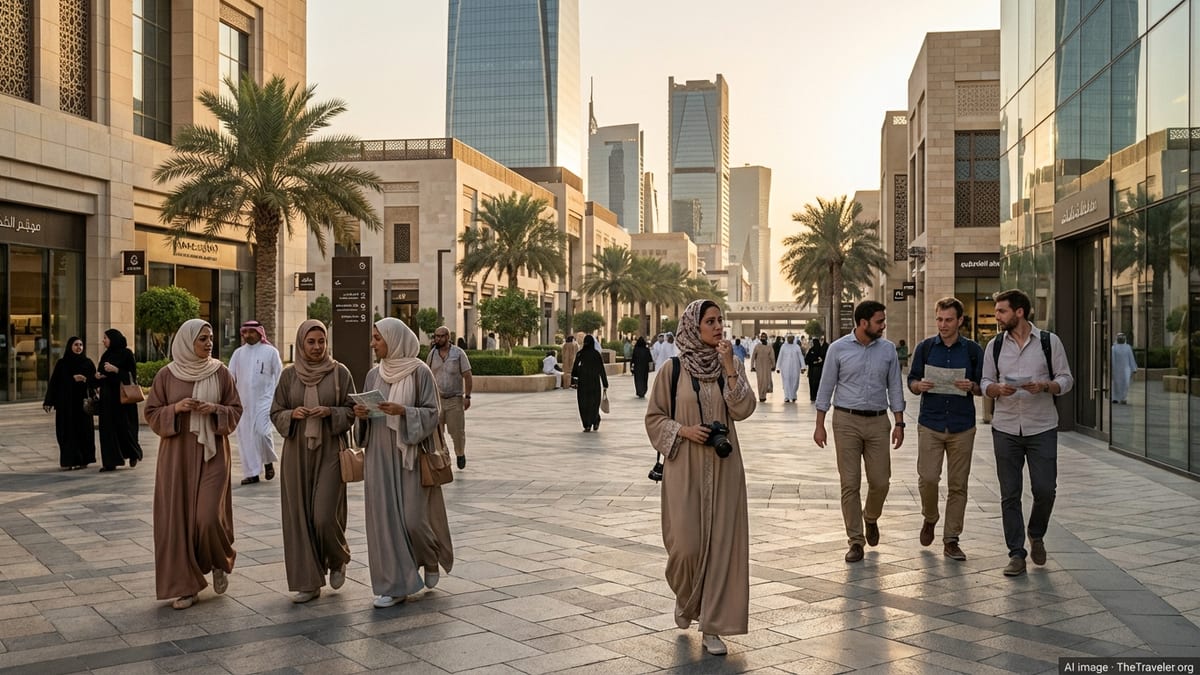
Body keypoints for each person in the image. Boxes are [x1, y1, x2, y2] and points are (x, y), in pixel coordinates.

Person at [645, 299, 756, 657]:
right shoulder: (672, 370)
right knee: (685, 547)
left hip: (724, 470)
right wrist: (682, 431)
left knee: (723, 548)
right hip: (684, 468)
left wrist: (729, 368)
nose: (718, 326)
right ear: (694, 326)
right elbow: (654, 417)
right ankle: (685, 598)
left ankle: (712, 625)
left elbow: (743, 409)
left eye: (720, 320)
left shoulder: (732, 364)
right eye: (711, 321)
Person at [145, 319, 243, 610]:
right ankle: (185, 587)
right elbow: (151, 413)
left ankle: (219, 561)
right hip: (176, 456)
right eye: (202, 339)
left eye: (210, 338)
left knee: (208, 517)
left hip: (213, 453)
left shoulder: (221, 372)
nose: (209, 343)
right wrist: (176, 408)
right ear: (188, 341)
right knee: (177, 520)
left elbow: (236, 410)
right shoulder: (167, 375)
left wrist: (214, 409)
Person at [356, 318, 453, 608]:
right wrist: (360, 414)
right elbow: (365, 414)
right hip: (379, 455)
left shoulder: (420, 372)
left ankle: (430, 557)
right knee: (384, 522)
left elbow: (432, 414)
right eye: (373, 337)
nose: (373, 343)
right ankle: (394, 585)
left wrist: (404, 411)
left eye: (378, 338)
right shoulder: (374, 375)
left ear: (394, 339)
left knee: (414, 519)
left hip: (410, 456)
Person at [981, 289, 1073, 578]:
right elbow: (984, 380)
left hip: (1041, 425)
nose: (997, 317)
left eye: (1002, 311)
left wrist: (1046, 386)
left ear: (1019, 312)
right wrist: (994, 389)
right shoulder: (994, 345)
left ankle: (1036, 533)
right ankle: (1016, 554)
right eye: (996, 312)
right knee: (1010, 494)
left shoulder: (1048, 342)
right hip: (1006, 426)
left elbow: (1066, 378)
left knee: (1045, 489)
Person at [813, 301, 905, 563]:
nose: (883, 325)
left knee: (881, 481)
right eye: (879, 321)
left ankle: (871, 517)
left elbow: (895, 388)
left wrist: (899, 423)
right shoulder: (838, 349)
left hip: (878, 422)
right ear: (863, 323)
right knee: (849, 484)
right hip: (846, 421)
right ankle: (855, 540)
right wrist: (819, 424)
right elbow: (826, 386)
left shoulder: (887, 350)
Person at [271, 320, 356, 603]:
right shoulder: (288, 376)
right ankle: (308, 581)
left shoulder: (339, 373)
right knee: (300, 517)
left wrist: (330, 412)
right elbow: (276, 412)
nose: (317, 347)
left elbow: (352, 410)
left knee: (323, 515)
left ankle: (337, 556)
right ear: (301, 344)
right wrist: (291, 415)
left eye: (321, 341)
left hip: (331, 449)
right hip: (296, 452)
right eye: (311, 342)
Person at [907, 298, 984, 561]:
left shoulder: (973, 350)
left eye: (948, 320)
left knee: (958, 485)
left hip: (963, 425)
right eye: (939, 319)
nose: (943, 325)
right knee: (927, 478)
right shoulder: (926, 348)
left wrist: (972, 387)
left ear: (960, 321)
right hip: (931, 422)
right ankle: (930, 517)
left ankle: (951, 539)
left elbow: (983, 385)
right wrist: (919, 387)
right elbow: (912, 380)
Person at [228, 320, 282, 485]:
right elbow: (230, 376)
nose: (248, 335)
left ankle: (267, 461)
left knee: (261, 431)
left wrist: (278, 399)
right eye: (245, 332)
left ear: (260, 333)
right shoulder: (238, 353)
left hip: (265, 400)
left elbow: (280, 375)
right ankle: (251, 473)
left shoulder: (270, 352)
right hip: (243, 402)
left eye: (252, 332)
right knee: (245, 437)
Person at [43, 336, 97, 470]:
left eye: (81, 345)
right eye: (76, 345)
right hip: (66, 406)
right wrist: (48, 401)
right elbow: (55, 383)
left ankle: (83, 460)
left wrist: (85, 380)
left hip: (82, 406)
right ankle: (68, 461)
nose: (79, 347)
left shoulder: (88, 363)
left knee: (83, 433)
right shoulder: (62, 364)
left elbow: (94, 382)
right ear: (70, 347)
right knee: (66, 433)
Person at [95, 328, 143, 472]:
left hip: (123, 401)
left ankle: (133, 454)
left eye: (106, 338)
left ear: (113, 339)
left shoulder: (127, 354)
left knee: (125, 429)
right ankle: (110, 462)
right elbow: (100, 372)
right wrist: (98, 377)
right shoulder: (106, 355)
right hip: (107, 400)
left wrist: (116, 370)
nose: (103, 341)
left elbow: (131, 376)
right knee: (108, 430)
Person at [426, 325, 473, 470]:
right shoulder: (432, 355)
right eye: (436, 336)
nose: (438, 339)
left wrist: (467, 396)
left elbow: (467, 375)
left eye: (441, 336)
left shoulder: (458, 353)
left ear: (448, 337)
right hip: (437, 399)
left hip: (454, 399)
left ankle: (460, 453)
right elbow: (426, 375)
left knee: (457, 432)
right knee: (438, 433)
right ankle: (444, 457)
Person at [571, 335, 609, 432]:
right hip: (594, 383)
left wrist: (574, 380)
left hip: (583, 383)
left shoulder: (580, 354)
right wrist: (605, 383)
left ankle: (588, 424)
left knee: (584, 404)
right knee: (593, 403)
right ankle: (594, 420)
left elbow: (575, 369)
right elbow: (601, 369)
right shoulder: (596, 354)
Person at [1111, 333, 1137, 404]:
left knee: (1126, 383)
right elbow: (1112, 359)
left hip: (1126, 369)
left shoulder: (1128, 347)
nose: (1121, 338)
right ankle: (1115, 398)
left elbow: (1131, 358)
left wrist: (1134, 368)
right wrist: (1112, 369)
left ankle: (1123, 398)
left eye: (1122, 336)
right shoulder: (1113, 348)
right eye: (1120, 336)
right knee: (1116, 384)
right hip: (1116, 369)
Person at [776, 335, 803, 403]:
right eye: (789, 338)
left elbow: (801, 357)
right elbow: (780, 357)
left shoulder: (797, 347)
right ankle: (787, 396)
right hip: (785, 368)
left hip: (795, 367)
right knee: (786, 381)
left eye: (791, 338)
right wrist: (778, 367)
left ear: (793, 339)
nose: (790, 339)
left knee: (795, 381)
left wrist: (803, 367)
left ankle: (793, 395)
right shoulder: (783, 347)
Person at [750, 333, 775, 402]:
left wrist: (773, 366)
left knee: (766, 381)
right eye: (762, 337)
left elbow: (772, 357)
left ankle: (764, 395)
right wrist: (752, 366)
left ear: (766, 338)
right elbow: (753, 357)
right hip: (759, 367)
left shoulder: (769, 347)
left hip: (767, 366)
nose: (763, 339)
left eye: (764, 337)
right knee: (760, 381)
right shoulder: (757, 346)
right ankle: (761, 396)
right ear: (760, 339)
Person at [805, 337, 826, 402]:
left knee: (812, 384)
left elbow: (806, 360)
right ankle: (818, 397)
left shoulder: (811, 350)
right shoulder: (822, 350)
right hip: (819, 370)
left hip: (812, 371)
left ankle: (812, 397)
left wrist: (812, 362)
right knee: (819, 384)